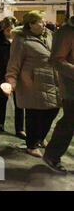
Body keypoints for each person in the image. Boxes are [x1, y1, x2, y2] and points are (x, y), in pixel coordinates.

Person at [3, 11, 61, 158]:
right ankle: (31, 144)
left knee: (52, 111)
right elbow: (14, 63)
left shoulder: (49, 34)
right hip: (32, 85)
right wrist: (11, 82)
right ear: (31, 24)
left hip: (51, 81)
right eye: (41, 21)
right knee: (34, 116)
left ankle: (40, 137)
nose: (44, 23)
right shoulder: (21, 40)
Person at [43, 16, 74, 174]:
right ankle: (52, 155)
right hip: (71, 89)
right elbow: (56, 60)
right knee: (69, 123)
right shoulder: (66, 32)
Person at [0, 16, 25, 138]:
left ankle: (19, 129)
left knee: (19, 103)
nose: (10, 32)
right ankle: (0, 123)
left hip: (18, 75)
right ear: (3, 29)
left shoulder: (20, 39)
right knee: (2, 100)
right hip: (2, 74)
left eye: (12, 29)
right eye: (7, 29)